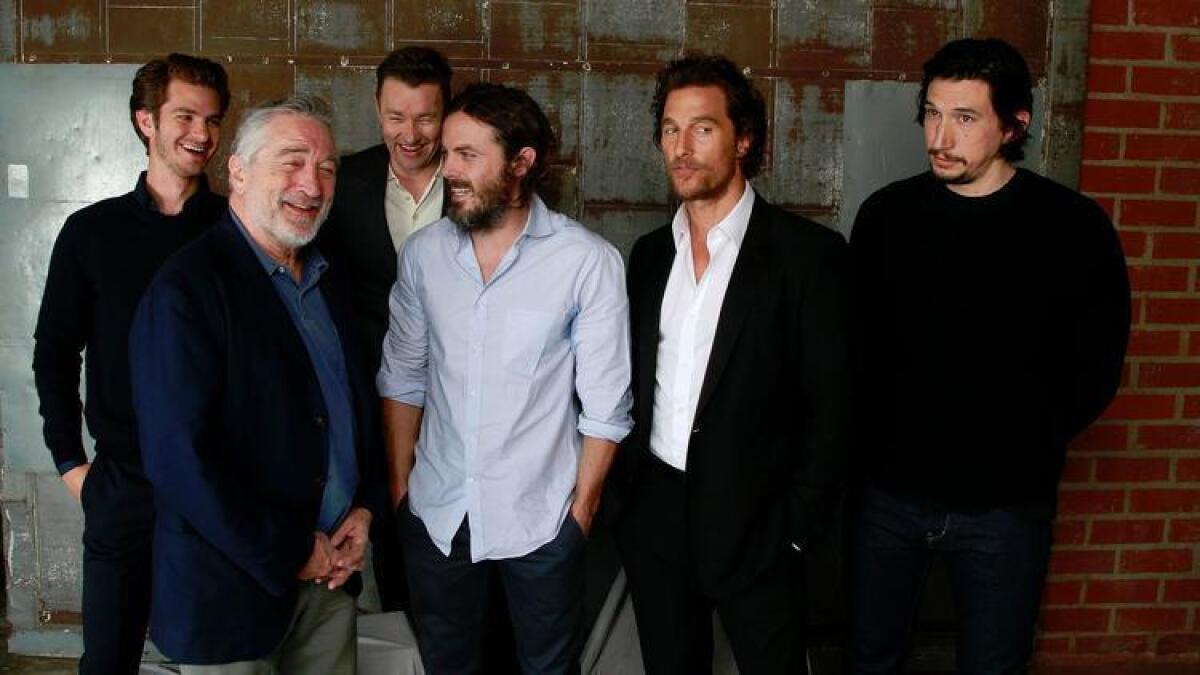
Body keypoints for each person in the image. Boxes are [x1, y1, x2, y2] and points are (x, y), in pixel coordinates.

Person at [848, 38, 1130, 674]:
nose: (941, 136)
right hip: (889, 500)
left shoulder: (1072, 228)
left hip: (1006, 509)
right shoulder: (887, 217)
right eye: (932, 113)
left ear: (1014, 125)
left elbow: (1096, 368)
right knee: (871, 658)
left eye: (966, 118)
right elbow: (855, 348)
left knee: (994, 665)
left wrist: (1018, 445)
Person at [377, 82, 632, 674]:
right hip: (438, 517)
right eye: (448, 153)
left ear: (522, 163)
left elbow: (606, 407)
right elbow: (403, 377)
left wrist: (580, 517)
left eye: (469, 155)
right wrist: (402, 494)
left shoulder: (586, 262)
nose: (450, 171)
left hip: (542, 522)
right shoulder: (424, 255)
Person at [129, 96, 386, 674]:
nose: (312, 185)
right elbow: (178, 459)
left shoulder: (328, 277)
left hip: (331, 582)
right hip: (230, 592)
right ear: (238, 172)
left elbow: (354, 409)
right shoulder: (187, 289)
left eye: (326, 168)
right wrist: (291, 549)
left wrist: (365, 508)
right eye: (291, 162)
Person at [614, 55, 852, 674]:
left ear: (743, 138)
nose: (681, 148)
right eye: (670, 129)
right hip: (658, 517)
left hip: (760, 522)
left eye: (703, 128)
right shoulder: (646, 257)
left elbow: (836, 407)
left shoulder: (809, 257)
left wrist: (796, 530)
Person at [31, 52, 229, 675]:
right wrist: (72, 464)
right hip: (122, 482)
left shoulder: (238, 230)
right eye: (185, 115)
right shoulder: (91, 231)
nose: (201, 133)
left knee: (222, 659)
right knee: (109, 660)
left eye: (213, 119)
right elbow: (54, 352)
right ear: (146, 120)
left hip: (221, 486)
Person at [317, 43, 452, 617]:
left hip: (459, 394)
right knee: (391, 525)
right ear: (376, 110)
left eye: (425, 117)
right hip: (372, 395)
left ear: (446, 111)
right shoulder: (345, 183)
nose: (412, 133)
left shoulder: (477, 174)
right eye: (397, 117)